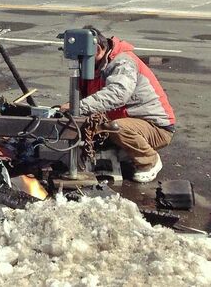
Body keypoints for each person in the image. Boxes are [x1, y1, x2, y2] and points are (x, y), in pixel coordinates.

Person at [65, 26, 176, 182]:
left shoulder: (123, 62)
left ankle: (149, 161)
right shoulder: (96, 65)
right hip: (128, 120)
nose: (80, 63)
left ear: (97, 50)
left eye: (82, 59)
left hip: (156, 128)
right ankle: (124, 150)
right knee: (90, 125)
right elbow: (88, 98)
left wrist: (79, 107)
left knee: (116, 128)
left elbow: (117, 95)